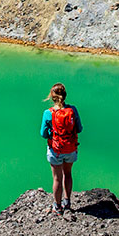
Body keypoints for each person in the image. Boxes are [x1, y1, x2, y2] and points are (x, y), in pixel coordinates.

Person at [40, 82, 82, 216]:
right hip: (70, 149)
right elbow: (79, 129)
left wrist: (53, 133)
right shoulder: (73, 110)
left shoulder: (48, 113)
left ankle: (57, 207)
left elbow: (43, 134)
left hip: (56, 150)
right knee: (68, 174)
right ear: (65, 95)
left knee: (57, 178)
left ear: (52, 97)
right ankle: (67, 202)